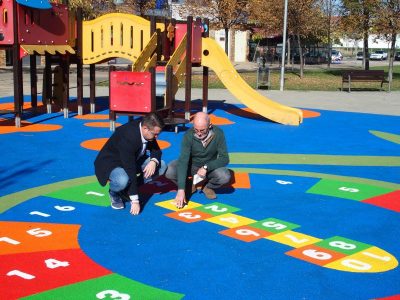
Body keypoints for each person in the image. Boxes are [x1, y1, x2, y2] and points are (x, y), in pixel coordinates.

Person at [94, 112, 167, 215]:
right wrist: (135, 201)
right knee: (122, 180)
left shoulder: (147, 129)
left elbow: (156, 150)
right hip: (112, 163)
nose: (156, 137)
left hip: (133, 159)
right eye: (155, 134)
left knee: (161, 166)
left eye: (158, 134)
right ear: (145, 128)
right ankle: (114, 192)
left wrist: (153, 161)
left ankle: (127, 190)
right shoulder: (128, 136)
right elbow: (130, 169)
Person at [165, 112, 231, 209]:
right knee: (170, 170)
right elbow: (183, 161)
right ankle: (189, 185)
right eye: (196, 130)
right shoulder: (188, 135)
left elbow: (225, 158)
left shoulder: (218, 133)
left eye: (202, 130)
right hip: (191, 165)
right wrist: (181, 189)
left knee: (224, 176)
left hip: (209, 167)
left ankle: (207, 186)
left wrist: (207, 167)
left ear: (210, 125)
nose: (199, 133)